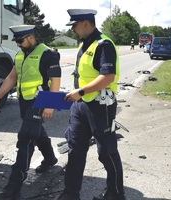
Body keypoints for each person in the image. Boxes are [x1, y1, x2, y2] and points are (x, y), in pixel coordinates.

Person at [57, 9, 126, 200]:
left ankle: (116, 194)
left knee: (107, 151)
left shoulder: (103, 45)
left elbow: (108, 77)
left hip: (100, 105)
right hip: (81, 106)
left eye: (75, 26)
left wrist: (80, 92)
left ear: (86, 23)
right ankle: (71, 194)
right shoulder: (85, 45)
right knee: (75, 149)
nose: (73, 30)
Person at [0, 25, 61, 199]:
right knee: (37, 132)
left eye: (20, 41)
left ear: (30, 37)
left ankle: (13, 187)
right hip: (25, 101)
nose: (18, 44)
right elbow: (12, 77)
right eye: (17, 41)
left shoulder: (47, 53)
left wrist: (51, 105)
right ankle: (50, 159)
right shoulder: (20, 55)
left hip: (39, 101)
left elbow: (55, 80)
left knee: (26, 137)